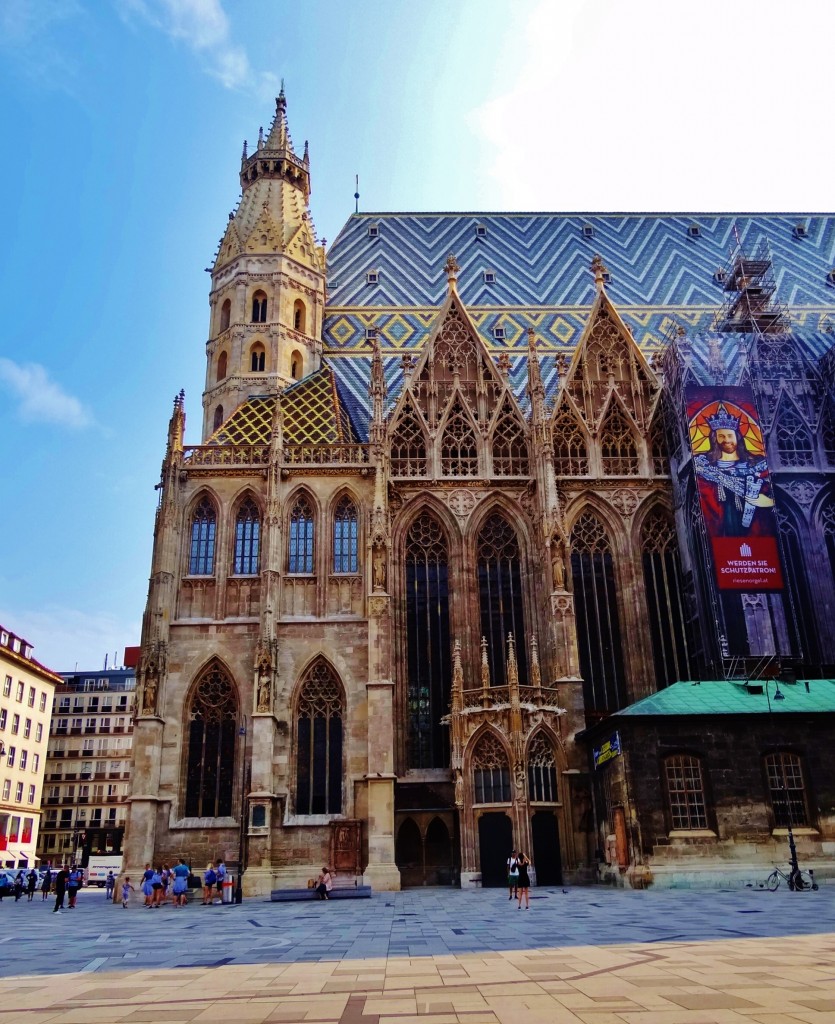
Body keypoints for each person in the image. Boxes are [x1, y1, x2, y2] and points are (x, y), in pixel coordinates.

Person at [693, 405, 774, 536]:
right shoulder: (704, 468)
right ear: (715, 439)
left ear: (737, 437)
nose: (726, 440)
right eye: (721, 436)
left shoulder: (758, 465)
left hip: (757, 532)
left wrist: (769, 502)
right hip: (723, 532)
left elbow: (773, 494)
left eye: (730, 435)